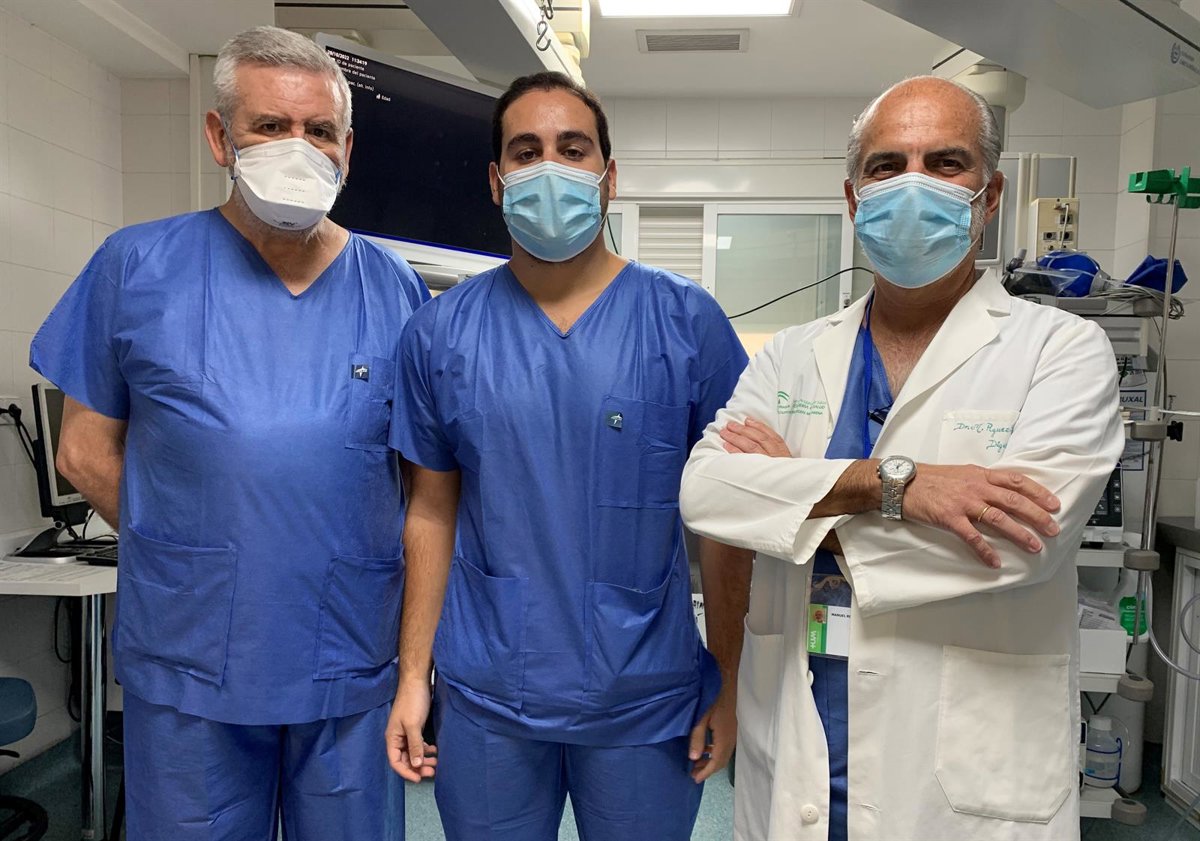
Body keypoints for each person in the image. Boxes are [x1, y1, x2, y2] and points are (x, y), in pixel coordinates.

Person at [679, 75, 1124, 841]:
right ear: (854, 200)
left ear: (989, 196)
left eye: (945, 162)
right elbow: (707, 491)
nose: (913, 185)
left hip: (959, 775)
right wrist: (893, 487)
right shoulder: (792, 354)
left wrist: (792, 506)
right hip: (802, 749)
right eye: (887, 166)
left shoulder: (1062, 351)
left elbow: (1024, 539)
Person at [29, 26, 428, 841]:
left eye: (319, 130)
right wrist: (185, 542)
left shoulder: (395, 290)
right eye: (270, 126)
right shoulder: (136, 266)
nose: (298, 147)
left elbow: (426, 486)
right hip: (194, 658)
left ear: (348, 150)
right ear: (220, 138)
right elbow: (82, 451)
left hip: (345, 655)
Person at [385, 71, 753, 841]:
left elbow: (728, 520)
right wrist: (414, 675)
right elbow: (431, 509)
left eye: (572, 149)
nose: (550, 168)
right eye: (527, 152)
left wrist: (728, 675)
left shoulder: (686, 323)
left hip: (646, 698)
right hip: (489, 694)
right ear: (497, 181)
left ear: (608, 177)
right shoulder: (440, 333)